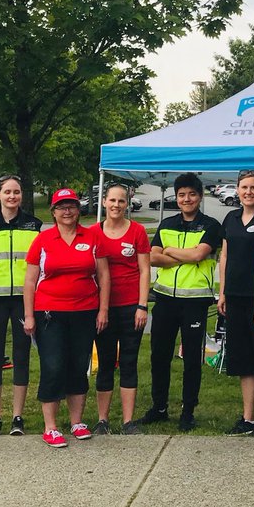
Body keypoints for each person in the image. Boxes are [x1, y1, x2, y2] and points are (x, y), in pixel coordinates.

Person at [23, 188, 111, 448]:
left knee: (77, 364)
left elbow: (104, 276)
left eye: (72, 205)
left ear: (78, 209)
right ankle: (50, 426)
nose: (67, 211)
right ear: (53, 212)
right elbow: (29, 280)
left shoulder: (93, 237)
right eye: (61, 207)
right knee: (53, 365)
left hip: (85, 311)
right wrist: (29, 315)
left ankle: (77, 421)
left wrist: (103, 309)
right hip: (49, 312)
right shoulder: (43, 240)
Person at [140, 172, 222, 432]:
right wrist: (185, 256)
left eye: (192, 194)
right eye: (182, 195)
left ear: (200, 196)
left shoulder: (211, 225)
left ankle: (188, 411)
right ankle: (159, 407)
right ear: (176, 197)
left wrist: (171, 252)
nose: (186, 199)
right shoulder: (167, 224)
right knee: (159, 356)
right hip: (164, 299)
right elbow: (153, 258)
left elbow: (200, 254)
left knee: (190, 360)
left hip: (195, 302)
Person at [0, 174, 42, 437]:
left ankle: (17, 416)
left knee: (21, 356)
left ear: (21, 196)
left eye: (17, 192)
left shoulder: (33, 224)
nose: (12, 197)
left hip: (23, 299)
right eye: (7, 192)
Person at [216, 170, 254, 437]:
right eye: (244, 187)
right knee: (243, 361)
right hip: (235, 297)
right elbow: (225, 256)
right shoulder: (230, 218)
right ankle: (248, 417)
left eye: (253, 187)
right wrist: (223, 292)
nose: (248, 192)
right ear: (237, 190)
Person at [89, 184, 151, 435]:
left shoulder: (137, 231)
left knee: (128, 361)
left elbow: (145, 270)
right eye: (112, 200)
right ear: (104, 202)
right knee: (104, 362)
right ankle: (102, 420)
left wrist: (142, 306)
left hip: (130, 306)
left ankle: (128, 421)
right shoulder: (93, 232)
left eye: (121, 201)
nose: (116, 205)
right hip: (102, 308)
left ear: (128, 204)